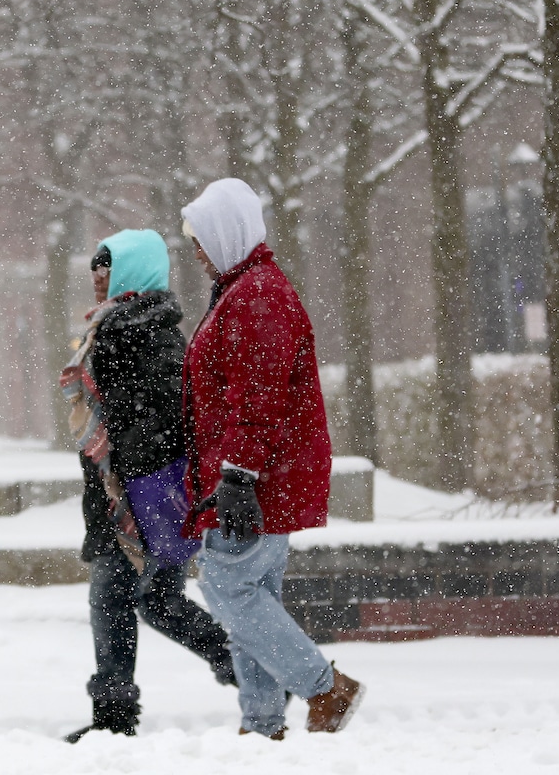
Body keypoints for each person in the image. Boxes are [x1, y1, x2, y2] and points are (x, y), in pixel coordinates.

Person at [179, 178, 364, 740]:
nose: (196, 251)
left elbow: (259, 396)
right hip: (253, 474)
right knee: (252, 600)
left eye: (201, 238)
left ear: (227, 233)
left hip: (253, 478)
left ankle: (324, 687)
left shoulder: (257, 296)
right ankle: (262, 724)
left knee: (226, 589)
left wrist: (238, 473)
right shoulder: (246, 289)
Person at [60, 229, 236, 743]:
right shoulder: (131, 323)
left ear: (131, 272)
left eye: (106, 267)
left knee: (112, 598)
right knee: (157, 600)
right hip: (140, 490)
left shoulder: (138, 329)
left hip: (136, 496)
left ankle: (113, 717)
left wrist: (127, 466)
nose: (97, 277)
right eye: (95, 267)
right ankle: (249, 669)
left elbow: (165, 414)